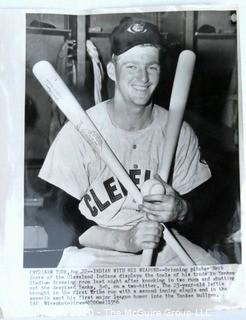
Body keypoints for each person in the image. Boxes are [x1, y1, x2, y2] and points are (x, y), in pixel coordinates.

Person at [39, 17, 218, 267]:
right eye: (131, 66)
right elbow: (57, 216)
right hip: (97, 248)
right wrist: (124, 240)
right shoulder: (79, 130)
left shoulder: (179, 131)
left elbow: (204, 209)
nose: (143, 77)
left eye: (151, 67)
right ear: (112, 70)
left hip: (164, 245)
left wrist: (181, 209)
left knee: (219, 285)